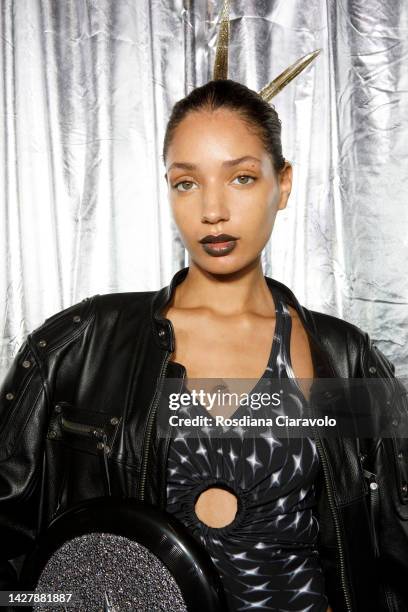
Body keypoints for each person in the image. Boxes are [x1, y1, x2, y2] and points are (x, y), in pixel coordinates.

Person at [0, 74, 407, 611]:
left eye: (241, 178)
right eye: (186, 183)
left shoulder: (340, 356)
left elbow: (393, 544)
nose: (212, 210)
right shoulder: (84, 343)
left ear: (282, 185)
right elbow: (11, 552)